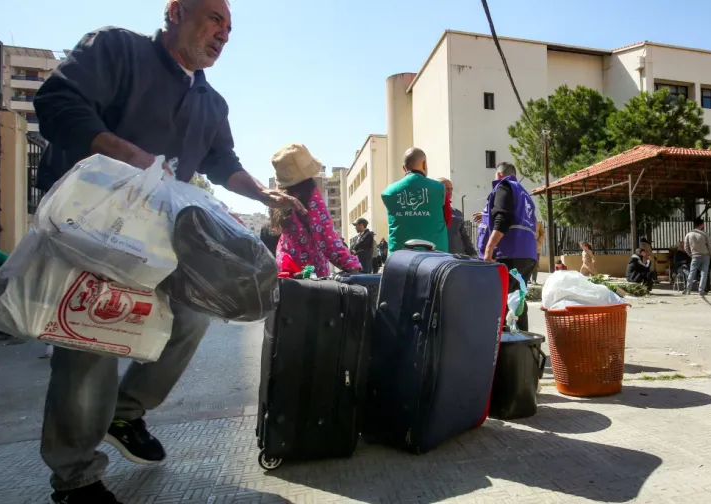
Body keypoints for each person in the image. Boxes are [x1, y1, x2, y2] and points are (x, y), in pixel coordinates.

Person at [30, 2, 307, 501]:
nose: (224, 33)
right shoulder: (117, 49)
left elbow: (223, 161)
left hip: (155, 229)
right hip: (88, 218)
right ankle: (76, 477)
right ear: (176, 12)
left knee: (193, 313)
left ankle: (125, 411)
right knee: (92, 335)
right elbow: (58, 101)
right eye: (215, 18)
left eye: (229, 27)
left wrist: (263, 195)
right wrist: (132, 158)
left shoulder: (210, 102)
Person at [271, 144, 361, 278]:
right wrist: (353, 266)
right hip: (310, 277)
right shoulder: (310, 197)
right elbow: (327, 238)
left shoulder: (278, 201)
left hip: (286, 270)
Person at [475, 162, 538, 331]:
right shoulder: (524, 193)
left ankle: (503, 349)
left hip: (508, 253)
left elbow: (503, 218)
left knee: (501, 303)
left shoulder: (504, 186)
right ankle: (523, 349)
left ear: (499, 175)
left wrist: (489, 249)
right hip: (527, 255)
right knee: (518, 303)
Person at [381, 147, 450, 254]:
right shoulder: (439, 188)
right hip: (435, 256)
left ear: (404, 168)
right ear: (424, 164)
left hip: (399, 258)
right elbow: (448, 220)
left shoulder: (388, 192)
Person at [438, 178, 476, 256]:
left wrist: (473, 253)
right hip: (439, 257)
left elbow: (464, 236)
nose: (450, 192)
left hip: (458, 257)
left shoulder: (457, 213)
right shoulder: (432, 213)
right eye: (447, 189)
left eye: (451, 189)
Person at [683, 218, 711, 295]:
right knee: (704, 273)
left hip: (695, 255)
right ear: (702, 225)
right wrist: (710, 253)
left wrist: (691, 254)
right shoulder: (705, 234)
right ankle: (701, 290)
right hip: (705, 255)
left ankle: (688, 289)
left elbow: (686, 247)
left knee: (692, 272)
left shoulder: (689, 234)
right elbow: (710, 245)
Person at [531, 219, 546, 284]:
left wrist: (539, 242)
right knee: (526, 263)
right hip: (526, 247)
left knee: (535, 264)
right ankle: (527, 279)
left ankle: (534, 279)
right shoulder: (524, 220)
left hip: (536, 247)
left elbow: (543, 233)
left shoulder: (538, 223)